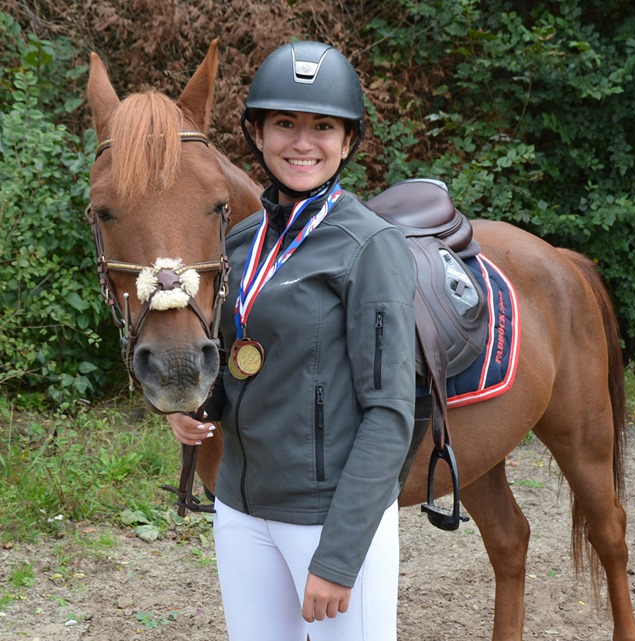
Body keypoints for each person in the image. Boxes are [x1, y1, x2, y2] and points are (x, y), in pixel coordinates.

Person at [167, 40, 416, 641]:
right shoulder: (239, 241)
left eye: (323, 127)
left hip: (328, 519)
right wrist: (198, 409)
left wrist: (338, 557)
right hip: (241, 509)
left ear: (348, 141)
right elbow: (239, 360)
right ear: (256, 132)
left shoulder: (371, 248)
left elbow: (389, 415)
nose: (302, 142)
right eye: (284, 123)